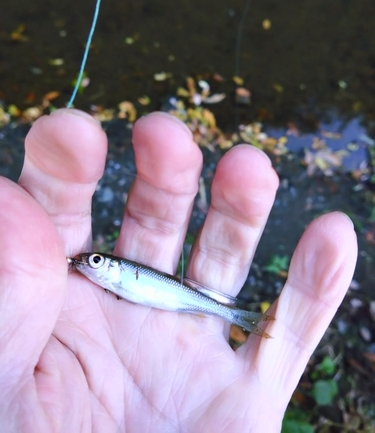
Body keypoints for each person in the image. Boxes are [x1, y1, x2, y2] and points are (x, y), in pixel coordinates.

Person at [0, 108, 357, 432]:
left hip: (179, 298)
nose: (93, 264)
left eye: (96, 261)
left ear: (108, 269)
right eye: (95, 262)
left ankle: (238, 316)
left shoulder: (113, 276)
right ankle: (240, 317)